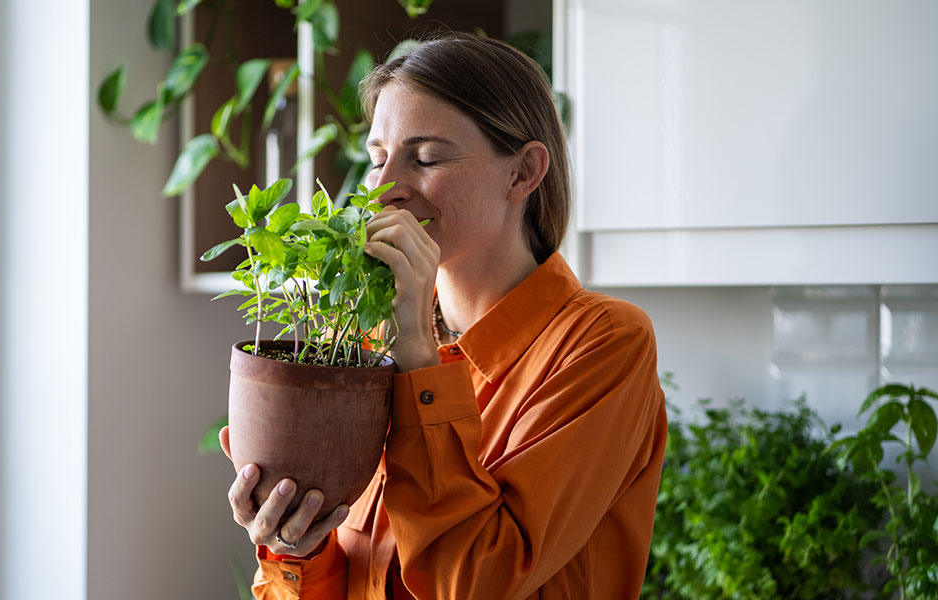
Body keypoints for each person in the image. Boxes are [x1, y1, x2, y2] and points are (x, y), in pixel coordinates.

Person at [218, 32, 667, 599]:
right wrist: (296, 548)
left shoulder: (602, 343)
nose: (382, 190)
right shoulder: (361, 336)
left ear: (523, 173)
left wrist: (415, 353)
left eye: (426, 158)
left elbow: (477, 582)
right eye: (377, 159)